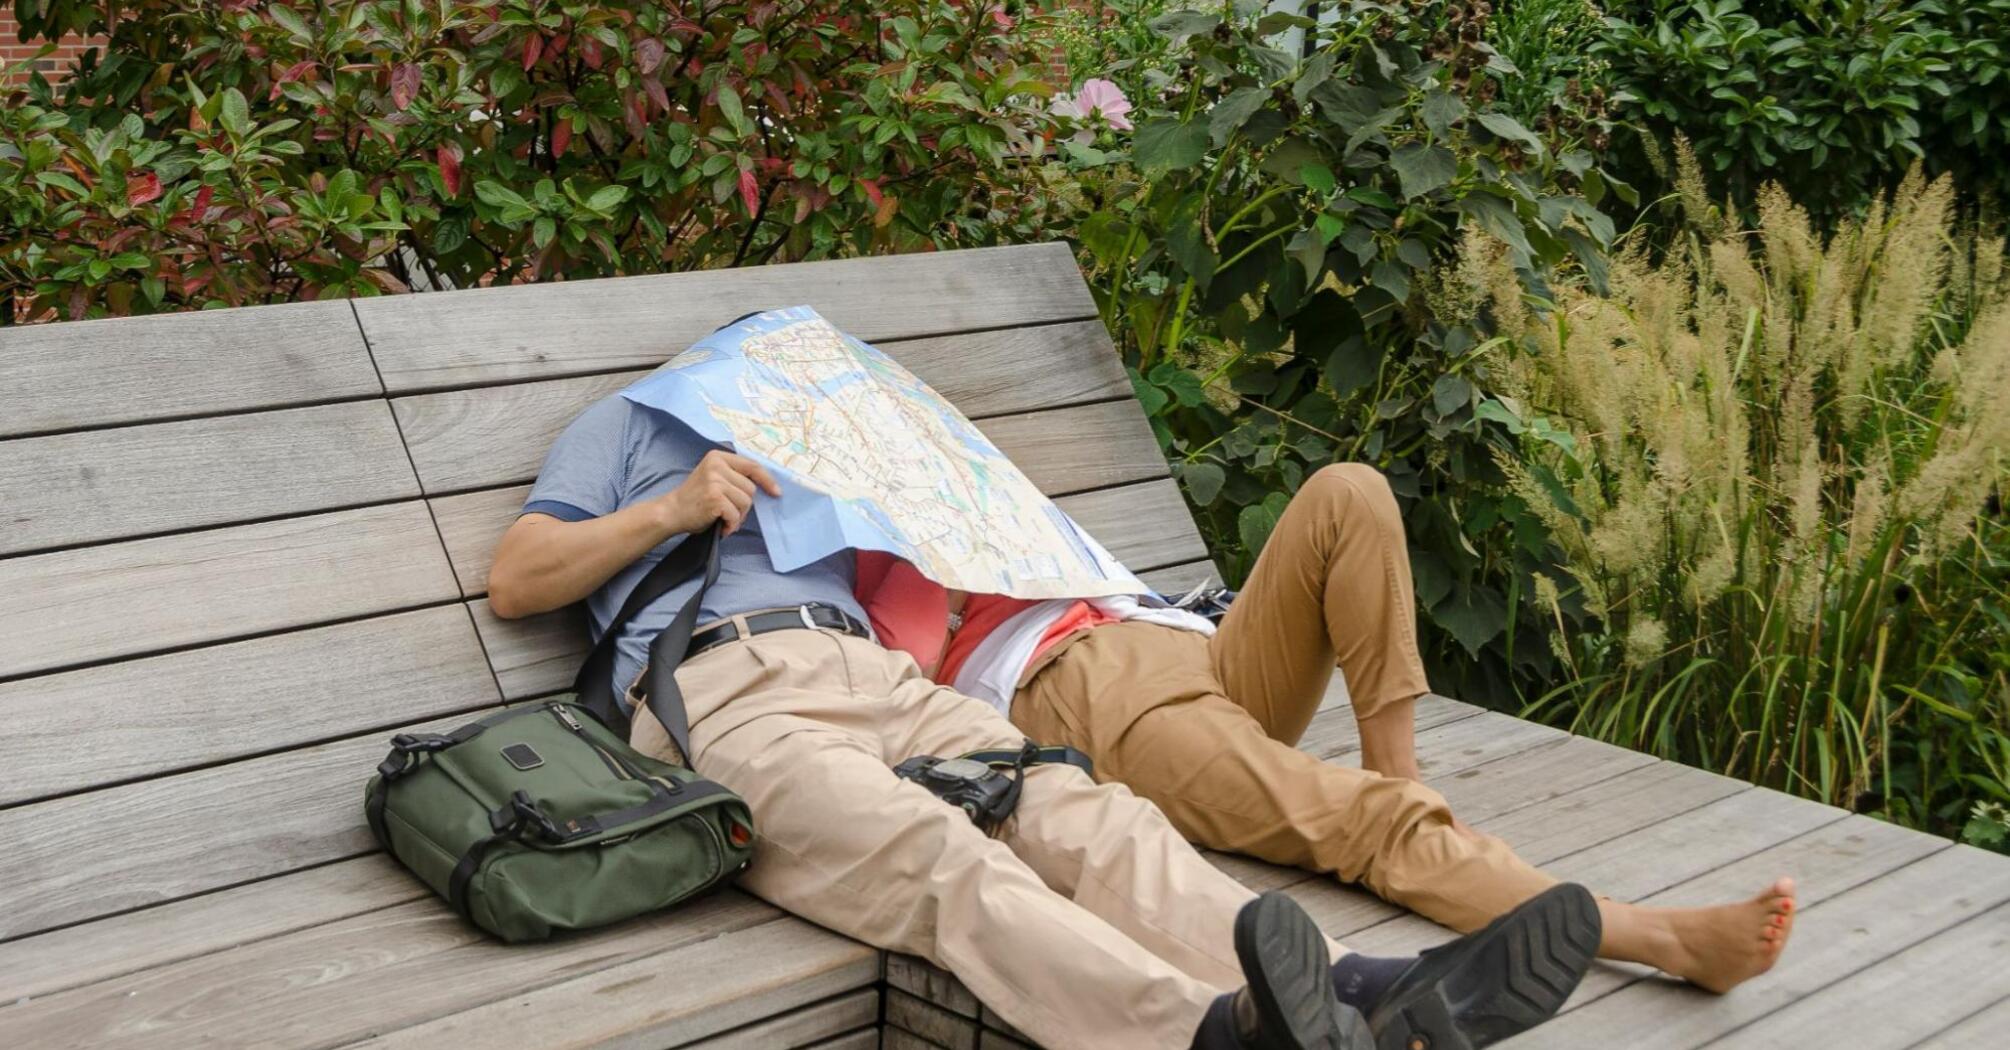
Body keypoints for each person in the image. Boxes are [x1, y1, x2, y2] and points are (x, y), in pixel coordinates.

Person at [489, 388, 1603, 1050]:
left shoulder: (820, 448)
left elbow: (949, 593)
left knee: (1090, 817)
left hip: (884, 681)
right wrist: (675, 508)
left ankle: (1360, 990)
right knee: (942, 860)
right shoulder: (627, 428)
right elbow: (520, 577)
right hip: (723, 693)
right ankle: (1213, 1032)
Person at [859, 463, 1798, 997]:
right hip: (1092, 693)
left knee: (1350, 492)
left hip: (1185, 640)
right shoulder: (857, 542)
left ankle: (1400, 767)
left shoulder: (968, 485)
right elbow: (896, 672)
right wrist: (907, 554)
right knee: (1356, 821)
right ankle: (1659, 937)